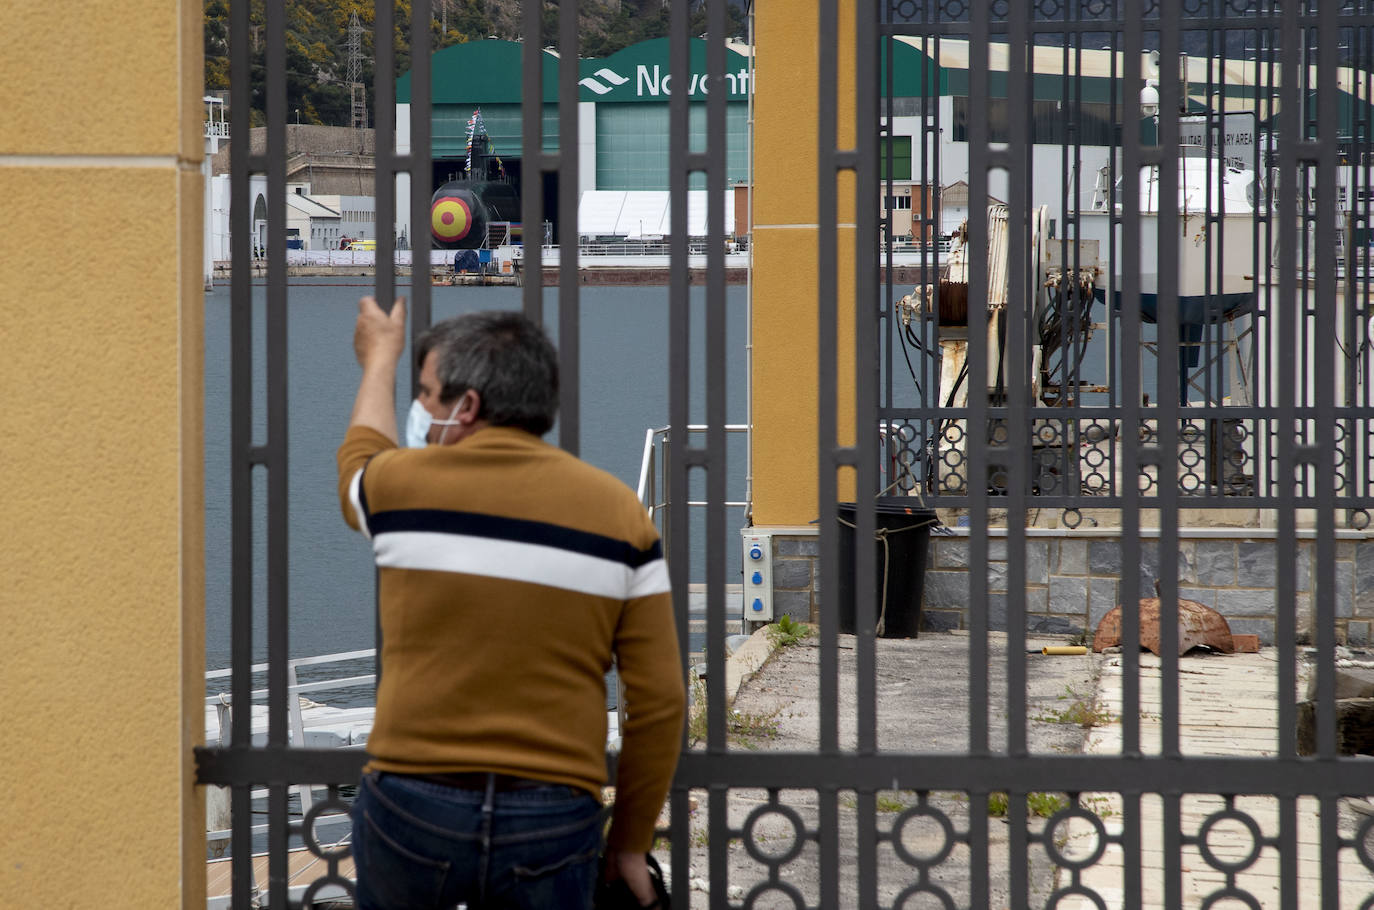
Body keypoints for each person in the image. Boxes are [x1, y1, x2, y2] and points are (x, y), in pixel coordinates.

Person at [338, 297, 685, 910]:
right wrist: (628, 844)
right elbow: (658, 701)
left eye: (426, 394)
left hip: (414, 802)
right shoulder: (619, 516)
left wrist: (379, 360)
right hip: (552, 813)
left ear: (466, 407)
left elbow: (358, 461)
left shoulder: (402, 487)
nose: (419, 410)